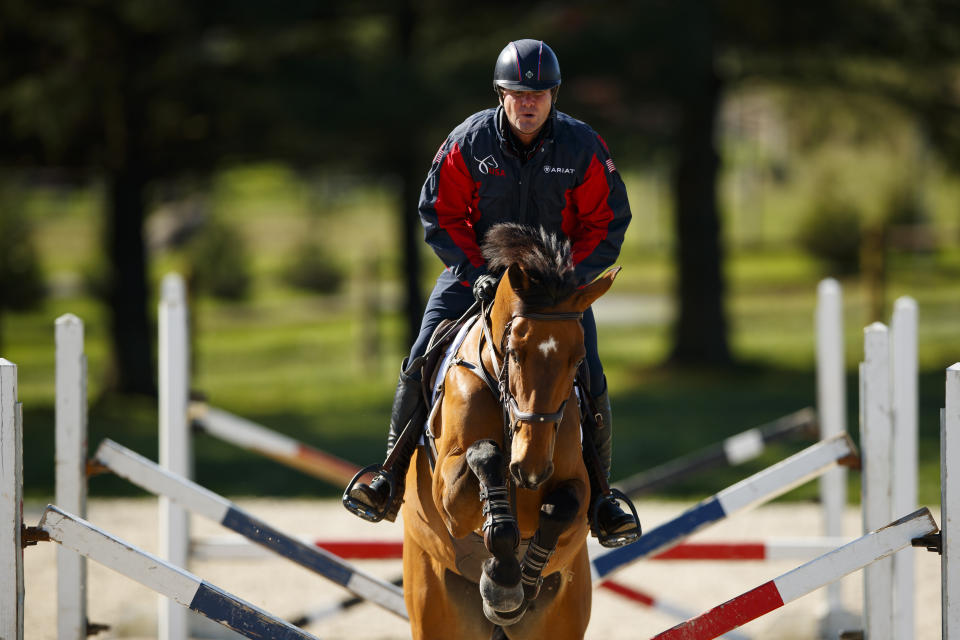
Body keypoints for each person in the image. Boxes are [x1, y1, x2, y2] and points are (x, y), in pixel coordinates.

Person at [343, 38, 639, 546]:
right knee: (421, 356)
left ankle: (605, 498)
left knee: (589, 369)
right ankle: (388, 475)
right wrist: (471, 267)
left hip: (554, 289)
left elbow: (608, 222)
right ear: (500, 93)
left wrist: (567, 276)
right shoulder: (468, 140)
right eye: (519, 93)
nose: (530, 103)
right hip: (474, 276)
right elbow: (440, 213)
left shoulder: (582, 145)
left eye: (540, 94)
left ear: (554, 96)